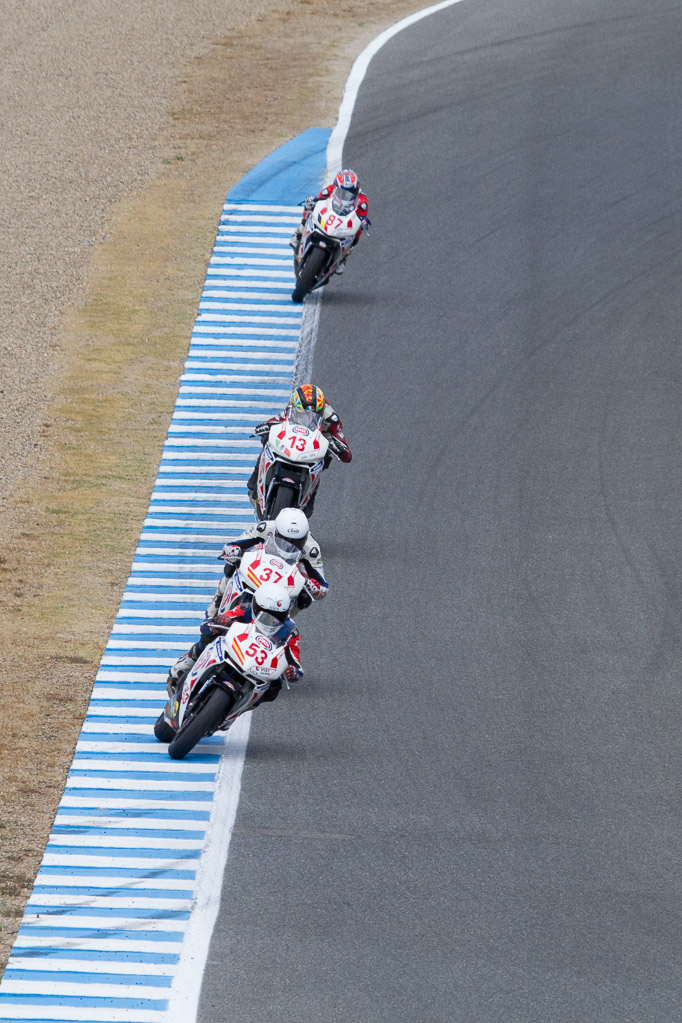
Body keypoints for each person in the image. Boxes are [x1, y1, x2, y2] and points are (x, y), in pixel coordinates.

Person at [166, 581, 303, 700]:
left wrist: (292, 671)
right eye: (264, 612)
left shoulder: (291, 631)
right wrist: (219, 622)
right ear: (255, 606)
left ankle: (240, 708)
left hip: (258, 666)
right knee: (209, 636)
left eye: (276, 616)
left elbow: (296, 664)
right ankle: (185, 665)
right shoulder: (245, 609)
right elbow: (208, 625)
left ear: (285, 614)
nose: (269, 619)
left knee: (274, 687)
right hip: (234, 648)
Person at [246, 384, 351, 515]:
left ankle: (308, 504)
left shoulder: (331, 420)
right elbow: (273, 422)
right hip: (293, 442)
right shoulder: (293, 407)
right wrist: (265, 428)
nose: (303, 419)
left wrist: (338, 447)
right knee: (268, 440)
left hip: (314, 446)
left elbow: (347, 456)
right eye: (299, 414)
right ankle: (254, 486)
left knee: (323, 460)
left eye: (309, 416)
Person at [207, 506, 329, 619]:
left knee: (304, 599)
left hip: (287, 579)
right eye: (284, 539)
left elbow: (323, 586)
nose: (290, 545)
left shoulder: (311, 549)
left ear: (305, 537)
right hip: (261, 565)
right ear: (276, 531)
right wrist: (234, 550)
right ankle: (217, 601)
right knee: (231, 566)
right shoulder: (265, 528)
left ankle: (284, 624)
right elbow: (234, 543)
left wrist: (314, 587)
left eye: (296, 542)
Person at [290, 168, 370, 274]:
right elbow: (318, 200)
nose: (346, 195)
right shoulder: (330, 189)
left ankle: (343, 257)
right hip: (331, 214)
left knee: (358, 230)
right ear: (336, 187)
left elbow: (362, 218)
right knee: (310, 206)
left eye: (351, 192)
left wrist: (364, 222)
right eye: (342, 191)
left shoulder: (363, 202)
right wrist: (312, 201)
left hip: (345, 220)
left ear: (356, 190)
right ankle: (299, 232)